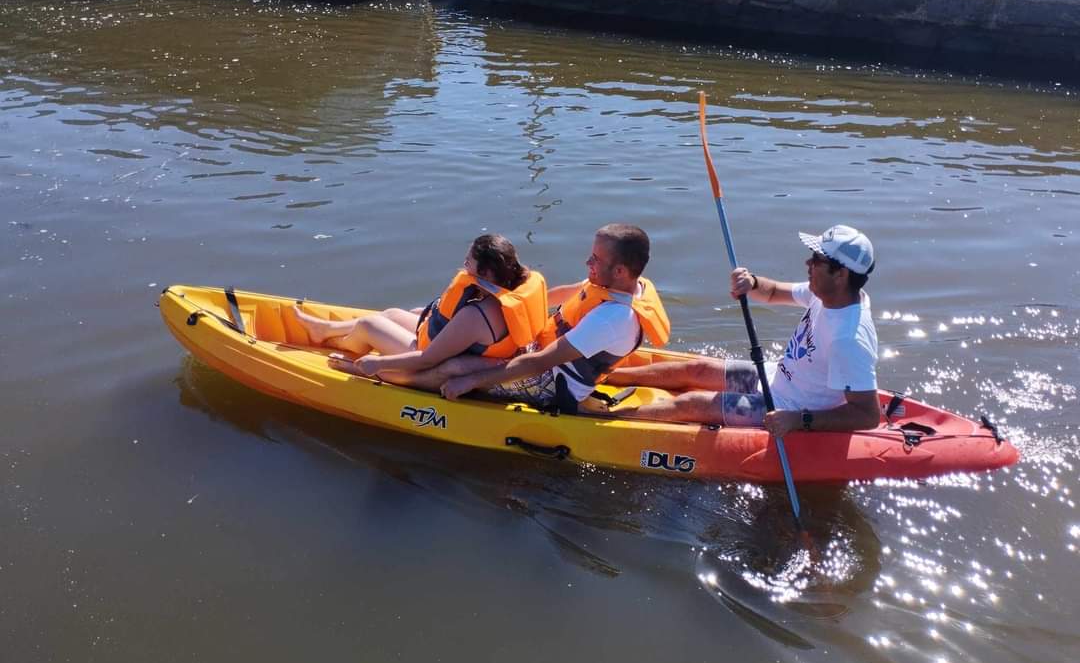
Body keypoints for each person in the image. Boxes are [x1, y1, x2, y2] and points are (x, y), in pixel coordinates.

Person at [605, 224, 881, 437]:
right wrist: (751, 282)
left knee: (692, 404)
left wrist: (798, 420)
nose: (808, 264)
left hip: (789, 407)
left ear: (841, 274)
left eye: (817, 260)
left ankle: (598, 421)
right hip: (774, 378)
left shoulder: (849, 339)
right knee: (697, 369)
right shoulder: (824, 293)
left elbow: (867, 415)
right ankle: (605, 375)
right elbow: (772, 292)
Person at [439, 223, 671, 413]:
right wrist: (512, 306)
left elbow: (539, 363)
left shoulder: (612, 318)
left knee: (456, 367)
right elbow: (560, 294)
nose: (587, 263)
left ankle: (408, 385)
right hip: (539, 350)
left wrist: (471, 382)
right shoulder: (618, 285)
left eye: (595, 260)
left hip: (550, 383)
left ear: (620, 271)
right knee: (451, 326)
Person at [290, 234, 547, 390]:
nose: (463, 266)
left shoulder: (477, 316)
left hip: (426, 357)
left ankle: (340, 344)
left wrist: (376, 363)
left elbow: (426, 360)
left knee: (368, 326)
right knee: (390, 313)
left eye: (468, 263)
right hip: (452, 343)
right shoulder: (514, 285)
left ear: (487, 274)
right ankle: (326, 330)